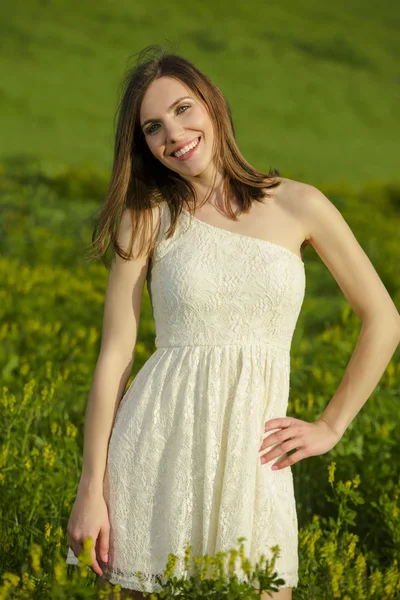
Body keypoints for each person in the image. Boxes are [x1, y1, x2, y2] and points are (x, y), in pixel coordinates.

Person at [65, 45, 400, 600]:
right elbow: (115, 356)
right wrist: (90, 488)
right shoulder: (146, 217)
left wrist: (331, 425)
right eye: (153, 127)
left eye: (182, 109)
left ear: (213, 107)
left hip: (255, 459)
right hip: (154, 450)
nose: (173, 134)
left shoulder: (301, 205)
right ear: (144, 144)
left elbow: (383, 319)